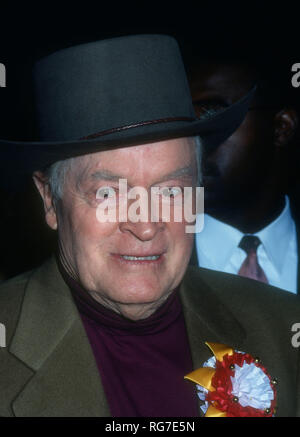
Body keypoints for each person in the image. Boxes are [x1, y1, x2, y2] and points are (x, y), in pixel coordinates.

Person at [0, 35, 300, 418]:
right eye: (108, 193)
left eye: (171, 191)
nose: (145, 226)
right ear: (49, 200)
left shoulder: (283, 327)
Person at [187, 57, 300, 293]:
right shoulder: (146, 250)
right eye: (183, 125)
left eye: (213, 118)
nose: (191, 144)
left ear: (282, 127)